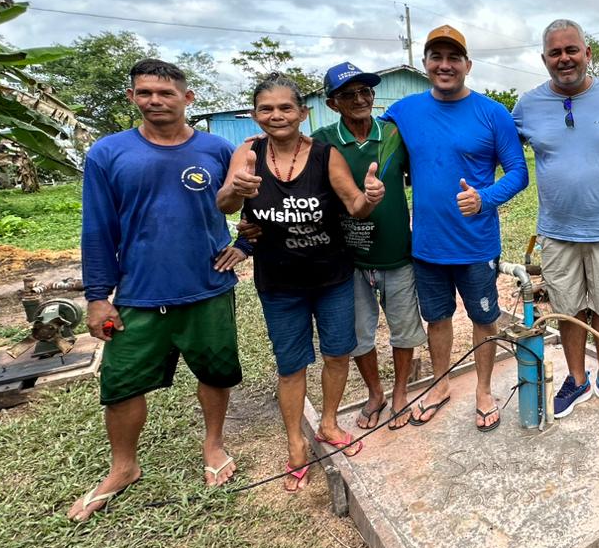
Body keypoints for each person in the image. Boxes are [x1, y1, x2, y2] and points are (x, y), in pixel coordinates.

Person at [69, 58, 249, 522]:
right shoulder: (109, 154)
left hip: (206, 287)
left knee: (214, 372)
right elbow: (97, 229)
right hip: (137, 294)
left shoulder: (216, 150)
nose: (155, 101)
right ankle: (123, 466)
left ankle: (213, 445)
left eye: (166, 93)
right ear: (132, 97)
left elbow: (256, 205)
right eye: (145, 92)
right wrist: (96, 296)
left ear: (187, 99)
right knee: (122, 383)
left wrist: (244, 245)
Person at [216, 74, 384, 491]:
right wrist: (237, 190)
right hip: (279, 283)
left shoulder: (326, 155)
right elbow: (224, 203)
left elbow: (355, 207)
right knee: (291, 367)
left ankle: (328, 422)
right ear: (255, 115)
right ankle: (295, 443)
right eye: (266, 109)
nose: (277, 116)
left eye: (286, 108)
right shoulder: (247, 153)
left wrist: (371, 196)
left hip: (332, 278)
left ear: (303, 113)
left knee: (337, 355)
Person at [382, 25, 529, 431]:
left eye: (453, 58)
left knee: (484, 319)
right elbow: (366, 143)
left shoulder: (491, 113)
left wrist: (486, 197)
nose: (444, 65)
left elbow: (518, 172)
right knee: (438, 318)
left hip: (477, 244)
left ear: (467, 64)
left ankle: (483, 389)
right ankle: (441, 383)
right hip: (427, 244)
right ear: (425, 63)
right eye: (436, 57)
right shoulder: (404, 112)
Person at [513, 19, 599, 419]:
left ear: (587, 53)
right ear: (544, 59)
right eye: (555, 52)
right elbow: (499, 155)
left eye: (571, 50)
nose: (564, 58)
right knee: (567, 308)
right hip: (557, 230)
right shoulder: (526, 106)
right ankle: (577, 378)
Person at [313, 62, 427, 432]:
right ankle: (375, 392)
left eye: (366, 92)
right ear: (333, 104)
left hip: (397, 253)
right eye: (349, 94)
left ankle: (399, 393)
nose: (361, 99)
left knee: (404, 328)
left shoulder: (394, 134)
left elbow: (423, 172)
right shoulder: (323, 141)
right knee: (359, 333)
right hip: (349, 258)